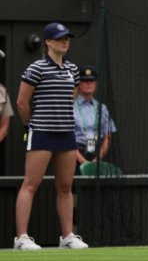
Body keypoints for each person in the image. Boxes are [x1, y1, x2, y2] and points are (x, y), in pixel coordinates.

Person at [14, 22, 89, 250]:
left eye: (66, 38)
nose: (64, 41)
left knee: (65, 186)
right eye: (59, 38)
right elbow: (21, 102)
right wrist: (31, 124)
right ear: (47, 42)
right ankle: (22, 238)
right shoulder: (36, 68)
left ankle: (67, 236)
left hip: (66, 134)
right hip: (42, 132)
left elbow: (71, 98)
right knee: (31, 184)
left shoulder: (73, 70)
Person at [74, 65, 117, 172]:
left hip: (97, 156)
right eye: (85, 81)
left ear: (95, 83)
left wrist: (97, 159)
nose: (89, 83)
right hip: (75, 156)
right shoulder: (70, 107)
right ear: (78, 84)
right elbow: (66, 137)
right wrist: (82, 161)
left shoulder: (102, 108)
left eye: (91, 81)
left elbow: (108, 136)